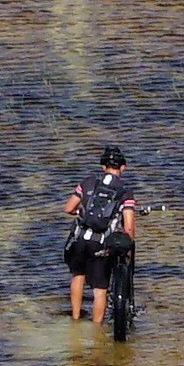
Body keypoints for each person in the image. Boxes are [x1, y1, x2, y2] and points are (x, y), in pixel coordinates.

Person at [57, 145, 141, 342]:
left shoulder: (88, 182)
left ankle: (75, 321)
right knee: (100, 290)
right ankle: (96, 331)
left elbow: (68, 208)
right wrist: (129, 245)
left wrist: (81, 213)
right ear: (123, 167)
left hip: (79, 239)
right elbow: (129, 227)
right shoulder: (125, 192)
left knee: (78, 276)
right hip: (101, 243)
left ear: (103, 167)